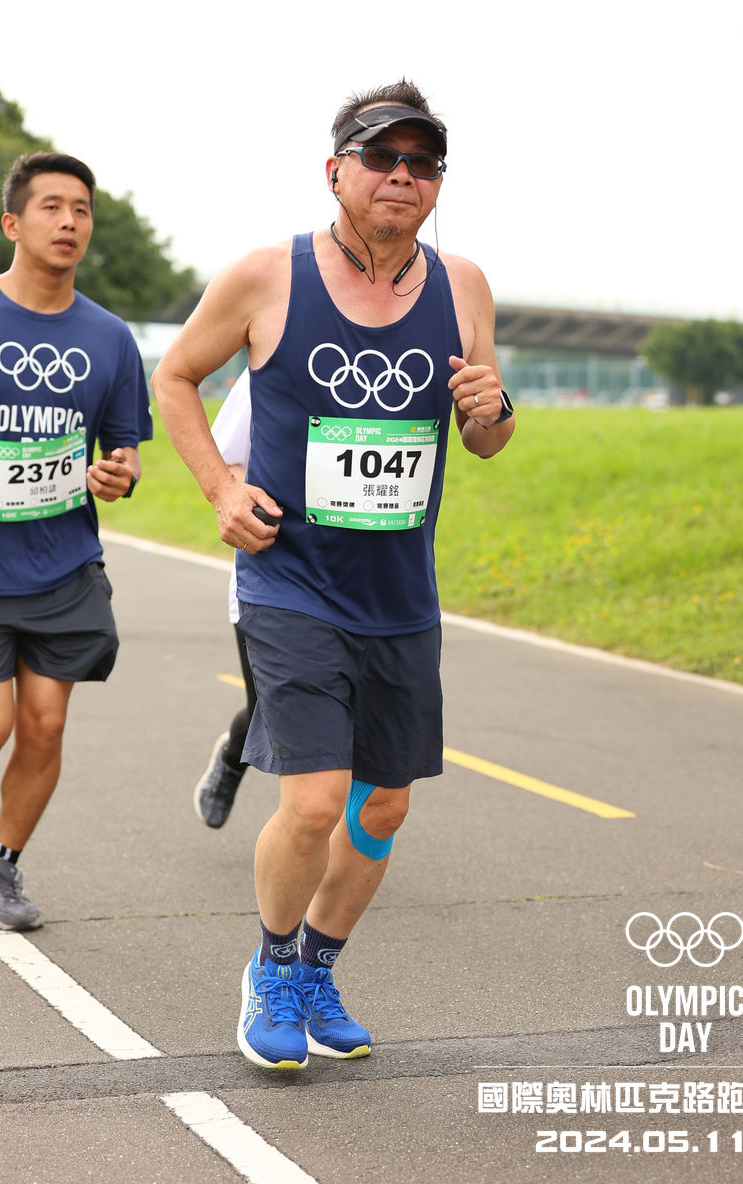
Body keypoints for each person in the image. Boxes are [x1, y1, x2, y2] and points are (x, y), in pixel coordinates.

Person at [152, 79, 514, 1071]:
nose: (403, 174)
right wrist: (221, 487)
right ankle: (270, 969)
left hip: (400, 591)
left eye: (422, 162)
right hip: (290, 580)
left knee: (383, 805)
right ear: (334, 171)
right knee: (314, 801)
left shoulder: (463, 285)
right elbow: (175, 374)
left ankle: (317, 965)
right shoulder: (267, 275)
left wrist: (491, 409)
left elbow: (485, 438)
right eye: (381, 156)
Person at [0, 151, 153, 932]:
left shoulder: (109, 337)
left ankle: (1, 869)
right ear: (12, 223)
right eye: (51, 206)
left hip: (64, 565)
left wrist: (117, 475)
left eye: (81, 209)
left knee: (45, 724)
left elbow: (123, 449)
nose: (69, 221)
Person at [194, 368, 256, 828]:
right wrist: (238, 500)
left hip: (379, 583)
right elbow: (227, 460)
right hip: (283, 578)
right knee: (270, 712)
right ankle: (234, 757)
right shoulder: (277, 354)